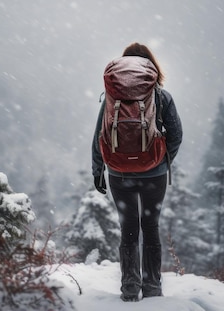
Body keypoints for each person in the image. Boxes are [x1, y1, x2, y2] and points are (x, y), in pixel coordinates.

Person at [91, 42, 183, 301]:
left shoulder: (112, 98)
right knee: (150, 226)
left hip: (119, 172)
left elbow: (99, 135)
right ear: (150, 67)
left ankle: (130, 287)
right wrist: (161, 162)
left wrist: (98, 170)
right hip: (154, 174)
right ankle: (152, 287)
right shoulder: (161, 96)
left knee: (128, 228)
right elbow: (176, 135)